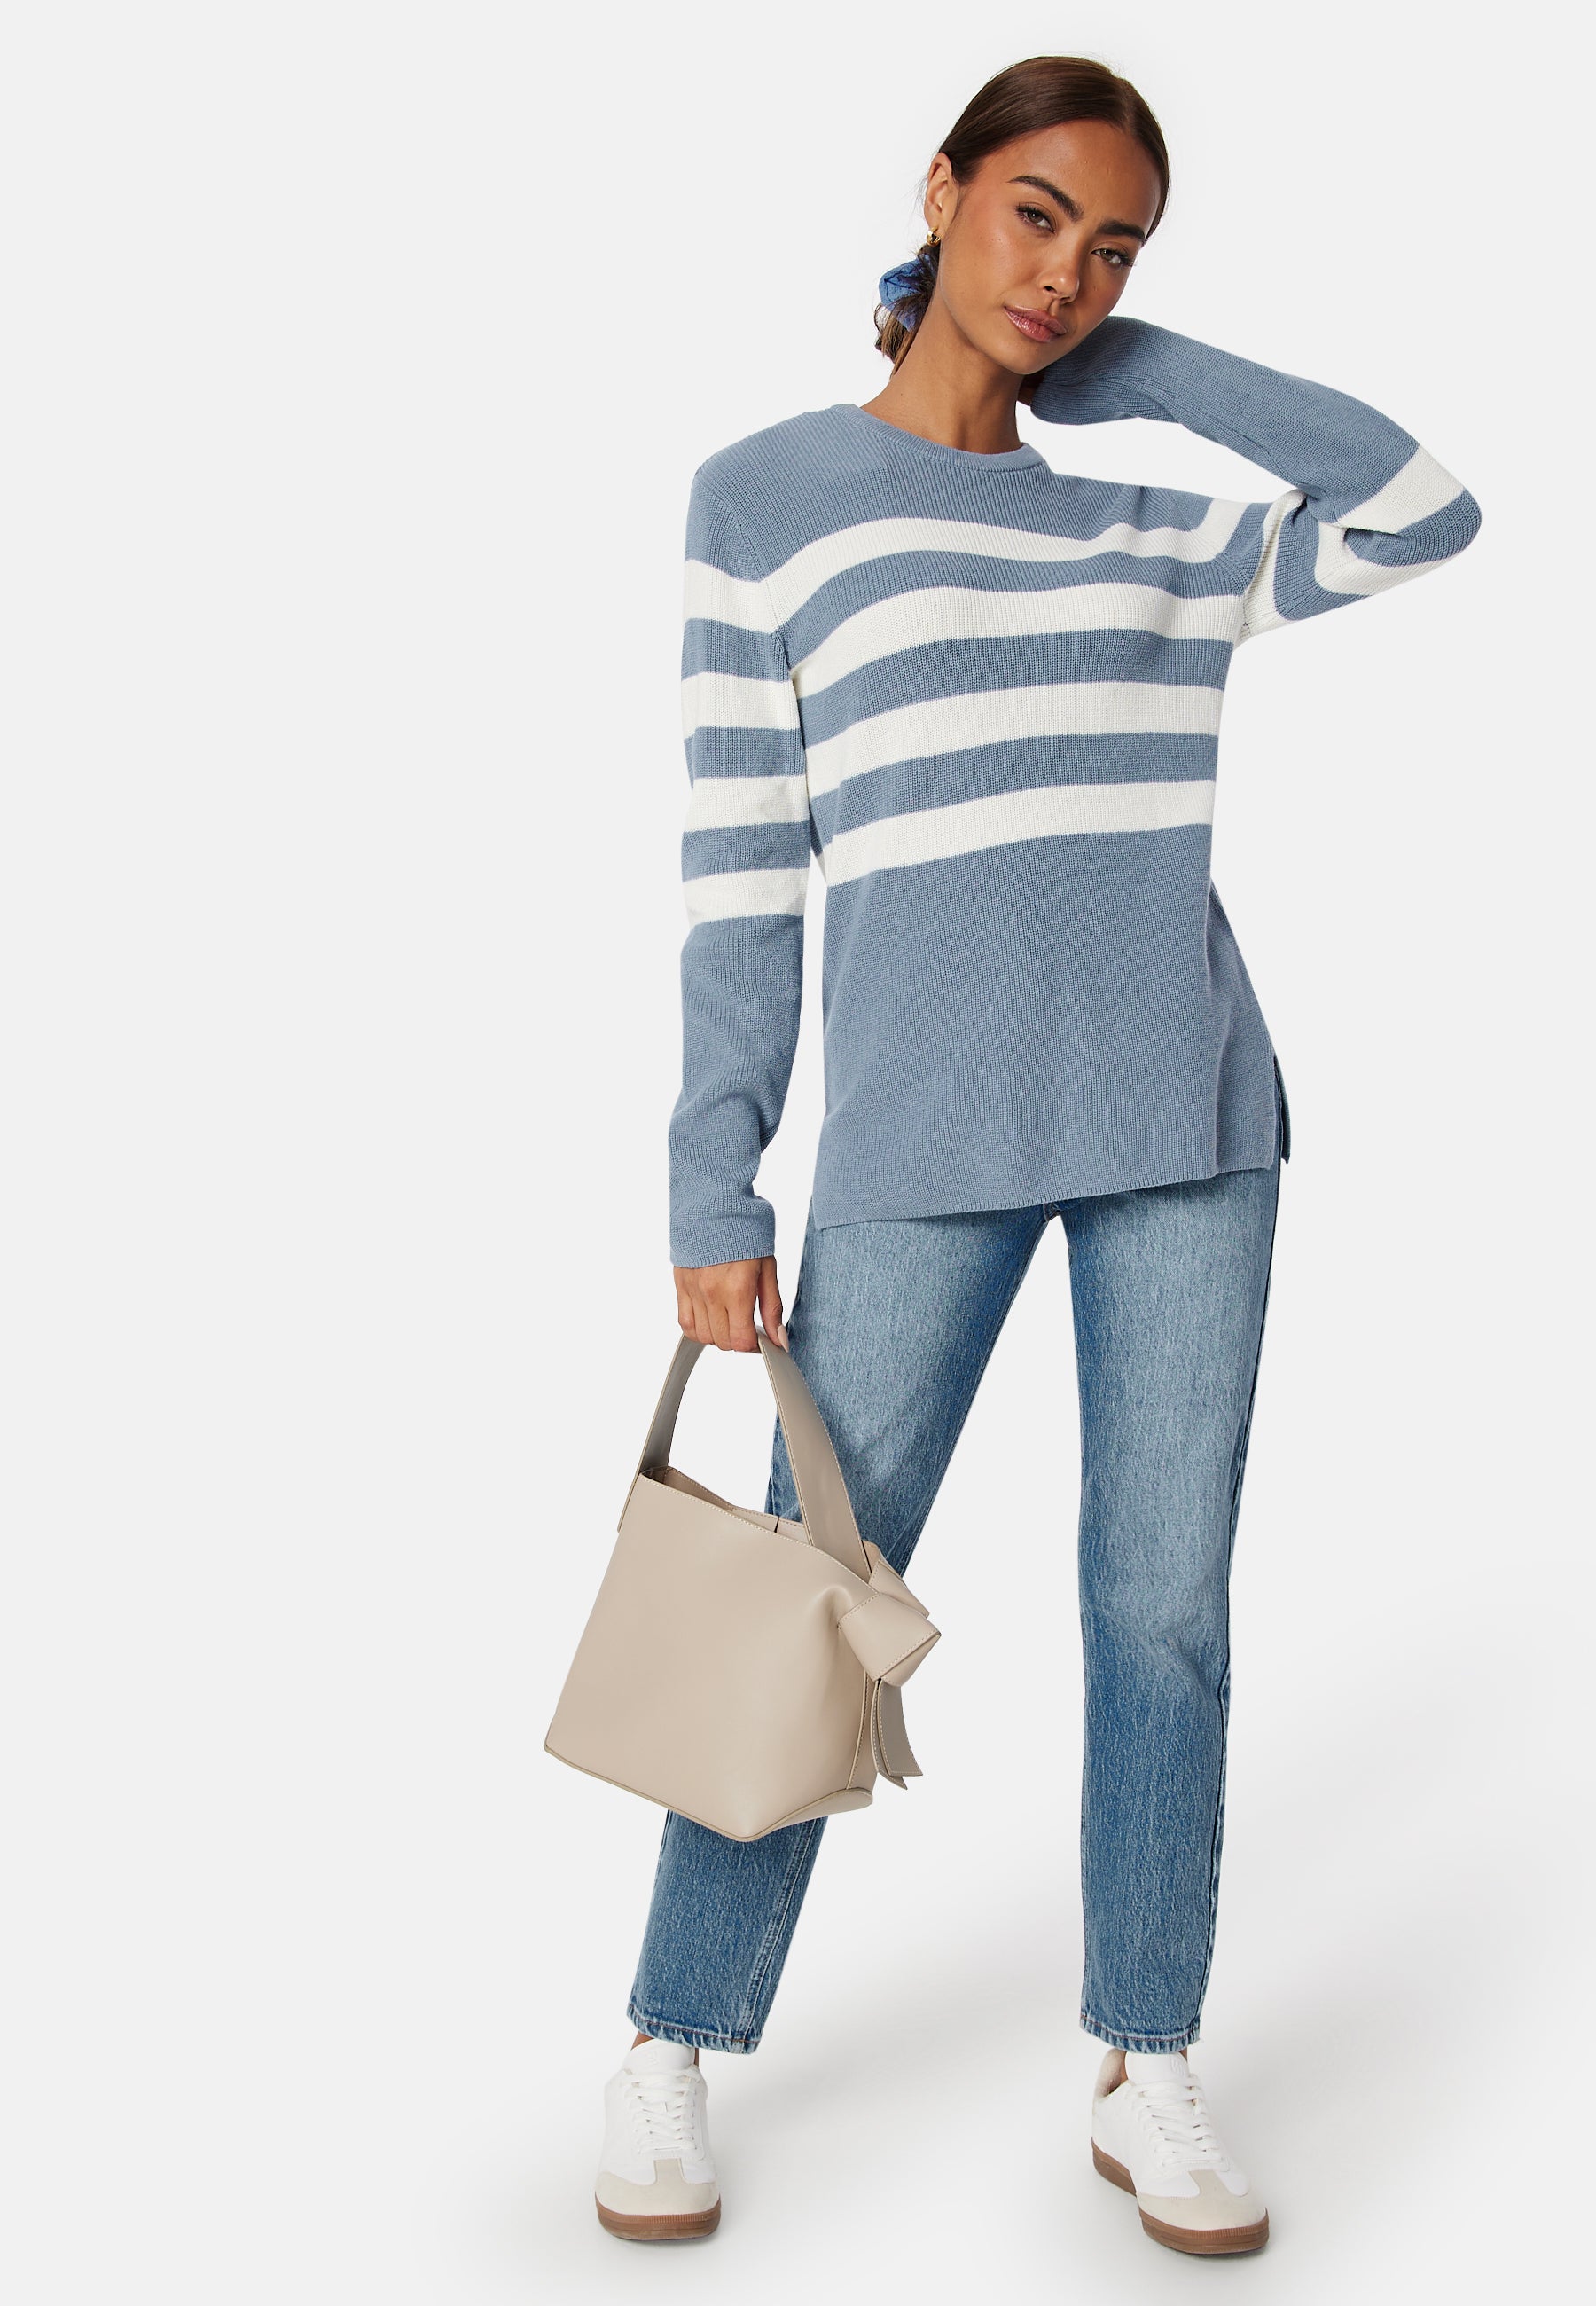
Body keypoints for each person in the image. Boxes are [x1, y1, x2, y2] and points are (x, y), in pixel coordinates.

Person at [591, 53, 1479, 2255]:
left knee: (1162, 1608)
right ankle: (677, 2031)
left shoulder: (1146, 530)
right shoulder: (766, 497)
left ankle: (1147, 2052)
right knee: (810, 1593)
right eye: (1037, 218)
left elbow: (1422, 510)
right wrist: (715, 1182)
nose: (1068, 271)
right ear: (943, 195)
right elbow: (739, 871)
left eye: (1116, 247)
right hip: (922, 1130)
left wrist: (1131, 369)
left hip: (1188, 1121)